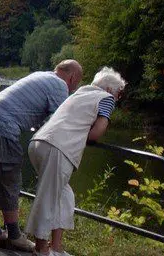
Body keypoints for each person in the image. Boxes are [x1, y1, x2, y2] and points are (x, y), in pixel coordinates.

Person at [0, 59, 83, 251]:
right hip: (3, 126)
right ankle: (14, 236)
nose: (75, 88)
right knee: (9, 178)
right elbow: (57, 123)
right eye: (78, 82)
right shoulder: (60, 87)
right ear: (72, 77)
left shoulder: (42, 75)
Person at [26, 67, 124, 256]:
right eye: (119, 93)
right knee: (48, 198)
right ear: (110, 90)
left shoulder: (79, 92)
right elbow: (95, 134)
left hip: (39, 143)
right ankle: (41, 249)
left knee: (64, 196)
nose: (118, 98)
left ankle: (57, 248)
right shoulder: (106, 98)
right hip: (57, 148)